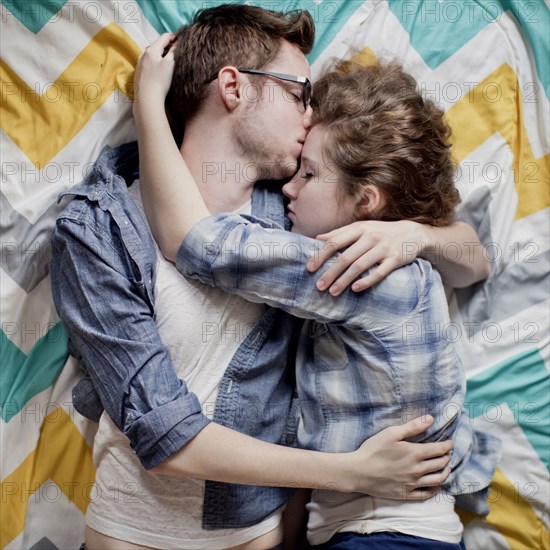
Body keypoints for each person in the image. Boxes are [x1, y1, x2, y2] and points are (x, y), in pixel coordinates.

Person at [50, 5, 489, 550]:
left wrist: (414, 235)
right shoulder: (96, 229)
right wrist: (148, 107)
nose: (310, 116)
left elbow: (473, 254)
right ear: (233, 87)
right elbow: (165, 435)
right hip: (132, 533)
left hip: (270, 535)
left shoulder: (303, 216)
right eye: (299, 93)